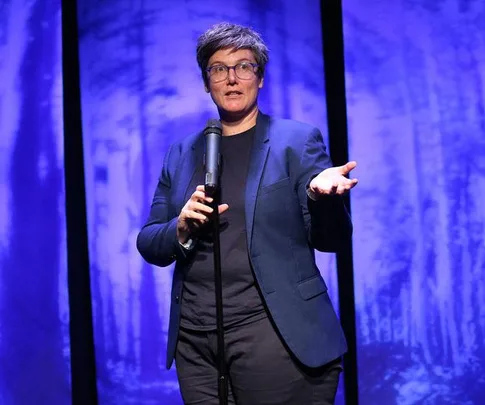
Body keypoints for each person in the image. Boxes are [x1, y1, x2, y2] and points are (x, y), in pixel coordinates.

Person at [136, 22, 358, 405]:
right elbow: (149, 240)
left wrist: (321, 198)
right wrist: (181, 227)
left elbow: (331, 240)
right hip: (197, 343)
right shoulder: (181, 152)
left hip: (274, 334)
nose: (232, 78)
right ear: (207, 82)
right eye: (219, 69)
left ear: (260, 77)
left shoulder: (296, 141)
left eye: (244, 66)